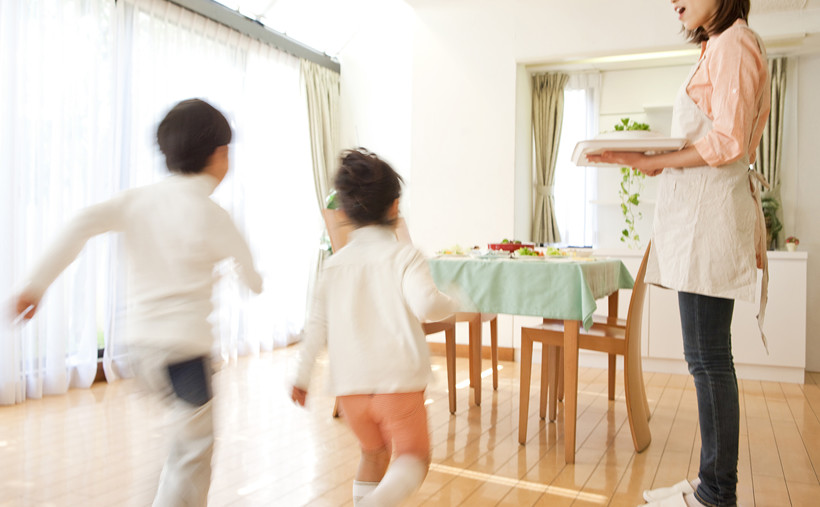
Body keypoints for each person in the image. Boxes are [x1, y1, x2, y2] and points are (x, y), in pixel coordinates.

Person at [13, 98, 263, 506]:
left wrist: (35, 285)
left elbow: (80, 224)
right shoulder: (214, 215)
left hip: (140, 350)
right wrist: (248, 279)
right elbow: (251, 276)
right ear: (219, 154)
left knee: (182, 444)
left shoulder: (138, 200)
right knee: (194, 452)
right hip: (185, 355)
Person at [588, 1, 770, 506]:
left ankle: (716, 493)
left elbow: (728, 140)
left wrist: (652, 161)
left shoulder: (735, 40)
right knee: (705, 359)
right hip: (701, 219)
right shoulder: (719, 45)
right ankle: (710, 484)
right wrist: (648, 160)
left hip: (709, 220)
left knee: (709, 360)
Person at [290, 148, 458, 507]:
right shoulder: (404, 255)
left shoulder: (335, 265)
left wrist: (301, 377)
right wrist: (454, 302)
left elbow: (316, 325)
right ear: (395, 207)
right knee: (412, 458)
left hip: (350, 388)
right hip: (397, 384)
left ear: (347, 212)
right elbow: (428, 305)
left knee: (374, 453)